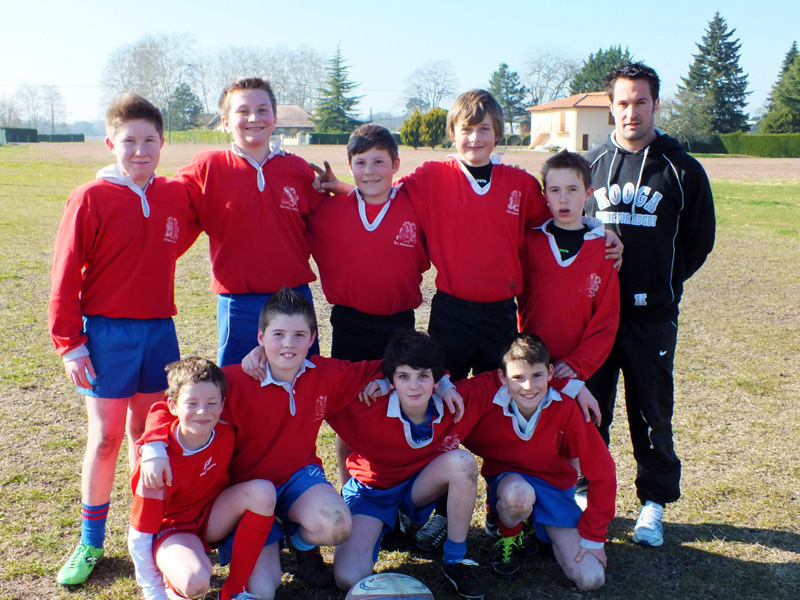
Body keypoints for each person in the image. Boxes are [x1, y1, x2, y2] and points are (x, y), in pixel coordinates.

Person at [139, 287, 387, 597]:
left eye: (299, 335)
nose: (287, 344)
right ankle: (269, 535)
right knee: (264, 589)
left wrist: (388, 380)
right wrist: (153, 446)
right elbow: (168, 406)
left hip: (299, 479)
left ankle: (299, 542)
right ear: (260, 337)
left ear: (312, 339)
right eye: (278, 334)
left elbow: (385, 366)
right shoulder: (237, 380)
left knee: (337, 525)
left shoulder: (326, 373)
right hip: (248, 494)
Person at [48, 93, 200, 586]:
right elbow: (65, 273)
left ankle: (146, 530)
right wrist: (70, 342)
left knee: (149, 435)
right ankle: (91, 542)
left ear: (163, 143)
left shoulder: (173, 194)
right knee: (108, 437)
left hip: (159, 330)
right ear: (111, 142)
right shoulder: (90, 197)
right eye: (129, 141)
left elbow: (176, 238)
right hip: (108, 334)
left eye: (149, 140)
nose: (140, 150)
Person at [584, 61, 716, 547]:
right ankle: (585, 492)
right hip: (594, 317)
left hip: (651, 316)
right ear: (611, 106)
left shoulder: (682, 168)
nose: (631, 111)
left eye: (641, 101)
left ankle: (653, 504)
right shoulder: (591, 166)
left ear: (655, 104)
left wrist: (662, 283)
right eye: (622, 102)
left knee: (652, 412)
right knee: (590, 409)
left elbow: (700, 240)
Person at [305, 123, 430, 488]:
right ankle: (349, 486)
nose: (370, 171)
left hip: (398, 324)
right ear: (349, 166)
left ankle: (400, 486)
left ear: (396, 164)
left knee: (401, 407)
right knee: (350, 413)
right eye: (361, 163)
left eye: (379, 162)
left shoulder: (415, 206)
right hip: (349, 324)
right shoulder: (329, 212)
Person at [175, 77, 325, 367]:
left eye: (262, 110)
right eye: (243, 111)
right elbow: (160, 200)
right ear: (226, 122)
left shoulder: (299, 169)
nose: (253, 118)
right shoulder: (207, 167)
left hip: (295, 300)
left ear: (275, 118)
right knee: (237, 386)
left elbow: (332, 224)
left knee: (301, 382)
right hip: (239, 303)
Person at [326, 330, 485, 600]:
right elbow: (338, 422)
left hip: (417, 486)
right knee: (348, 577)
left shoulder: (453, 400)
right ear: (391, 379)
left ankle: (456, 560)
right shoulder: (369, 400)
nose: (414, 386)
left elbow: (508, 379)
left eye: (423, 376)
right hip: (372, 491)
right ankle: (379, 522)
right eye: (403, 377)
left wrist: (574, 389)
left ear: (437, 379)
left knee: (463, 463)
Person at [460, 334, 616, 590]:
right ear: (502, 377)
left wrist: (594, 538)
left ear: (550, 373)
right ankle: (507, 535)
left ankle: (532, 524)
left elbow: (603, 472)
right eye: (517, 378)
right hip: (512, 484)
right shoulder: (489, 398)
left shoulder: (566, 407)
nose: (528, 386)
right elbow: (439, 393)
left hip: (554, 489)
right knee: (519, 496)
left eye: (536, 376)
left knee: (591, 578)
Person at [128, 357, 275, 600]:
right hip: (172, 529)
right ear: (173, 406)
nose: (202, 411)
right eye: (192, 403)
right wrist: (153, 592)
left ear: (222, 405)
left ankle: (234, 592)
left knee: (263, 492)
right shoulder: (157, 462)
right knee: (195, 581)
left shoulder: (226, 432)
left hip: (212, 517)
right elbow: (140, 536)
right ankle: (172, 580)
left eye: (211, 403)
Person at [517, 149, 620, 399]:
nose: (563, 199)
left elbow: (606, 321)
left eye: (572, 190)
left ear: (588, 193)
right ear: (545, 196)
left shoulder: (603, 251)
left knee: (586, 431)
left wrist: (579, 363)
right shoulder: (528, 242)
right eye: (555, 190)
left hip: (580, 370)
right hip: (533, 365)